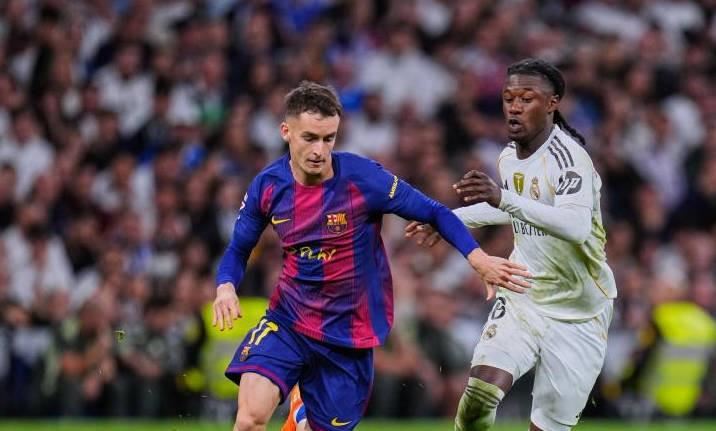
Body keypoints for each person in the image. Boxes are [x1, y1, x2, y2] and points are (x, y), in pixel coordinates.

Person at [212, 81, 532, 431]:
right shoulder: (268, 185)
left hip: (348, 337)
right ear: (286, 131)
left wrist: (478, 258)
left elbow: (434, 211)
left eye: (329, 138)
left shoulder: (362, 179)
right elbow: (238, 248)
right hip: (288, 321)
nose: (320, 150)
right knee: (249, 420)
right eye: (310, 138)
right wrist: (226, 286)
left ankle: (301, 412)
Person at [405, 58, 617, 431]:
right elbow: (516, 210)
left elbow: (575, 226)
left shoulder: (570, 160)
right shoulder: (508, 158)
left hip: (579, 313)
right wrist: (449, 219)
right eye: (508, 98)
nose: (514, 107)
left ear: (552, 103)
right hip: (524, 296)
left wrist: (503, 198)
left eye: (526, 98)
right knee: (479, 396)